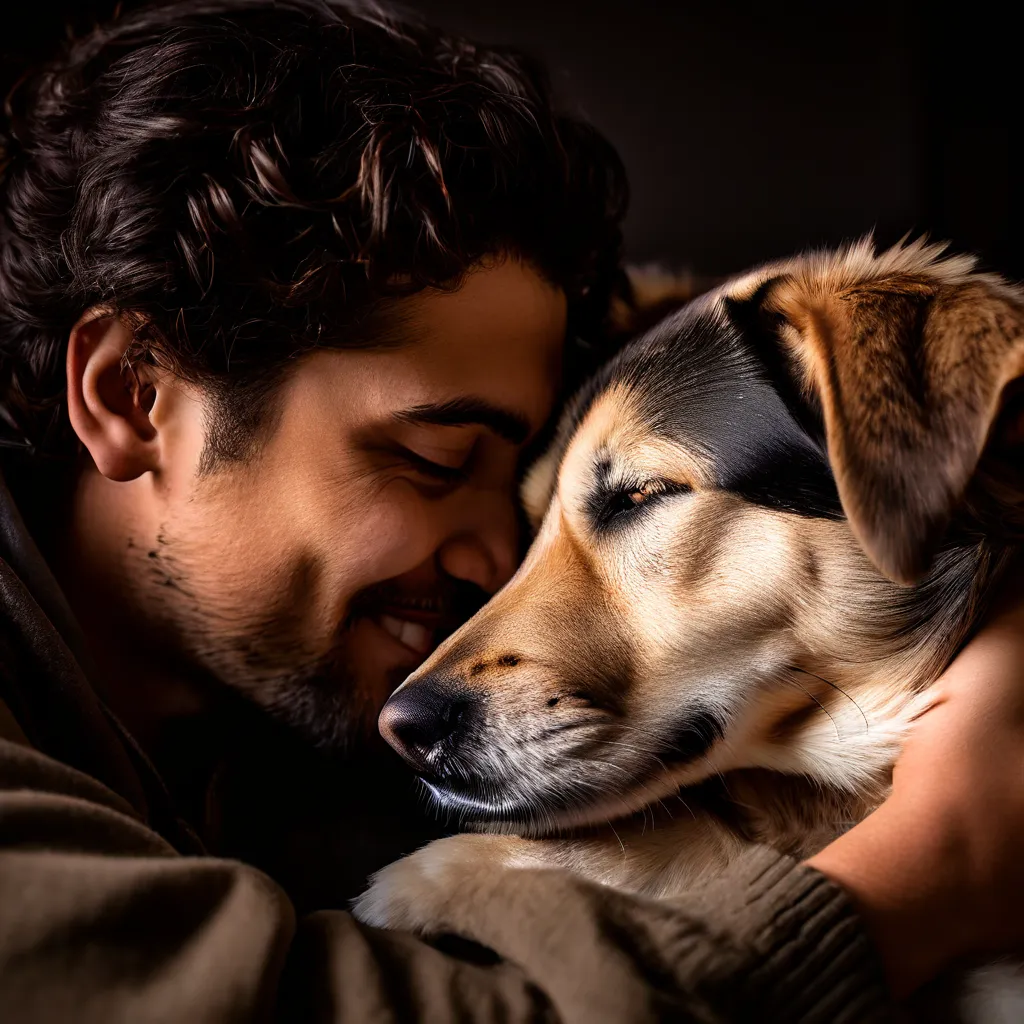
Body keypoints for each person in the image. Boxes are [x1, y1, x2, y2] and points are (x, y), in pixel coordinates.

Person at [1, 1, 1022, 1021]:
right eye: (433, 456)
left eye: (518, 490)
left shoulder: (276, 726)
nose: (495, 562)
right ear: (135, 392)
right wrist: (935, 858)